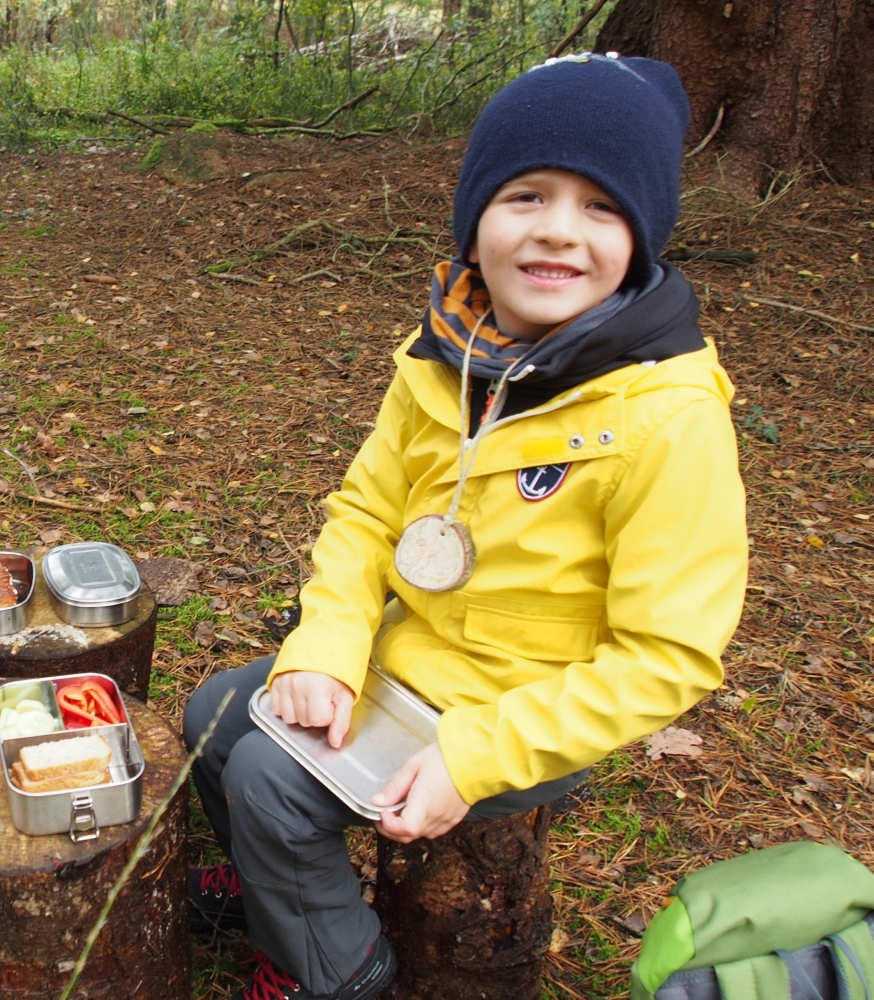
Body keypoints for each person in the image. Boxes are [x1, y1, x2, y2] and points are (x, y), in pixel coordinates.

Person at [184, 52, 748, 1000]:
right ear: (476, 217)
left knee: (272, 788)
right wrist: (324, 644)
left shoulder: (668, 415)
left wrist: (475, 755)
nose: (559, 232)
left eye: (602, 208)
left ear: (643, 237)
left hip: (518, 718)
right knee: (215, 718)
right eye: (526, 195)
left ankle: (337, 974)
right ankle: (269, 893)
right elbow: (366, 515)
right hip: (410, 666)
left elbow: (668, 656)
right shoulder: (446, 355)